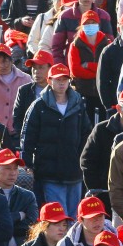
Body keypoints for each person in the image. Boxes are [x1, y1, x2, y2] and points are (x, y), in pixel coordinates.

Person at [20, 63, 91, 216]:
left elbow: (86, 134)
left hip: (74, 172)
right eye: (57, 79)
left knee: (73, 216)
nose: (61, 83)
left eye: (64, 79)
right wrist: (27, 163)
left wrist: (81, 159)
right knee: (58, 216)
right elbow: (28, 135)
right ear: (49, 80)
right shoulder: (38, 106)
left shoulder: (79, 104)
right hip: (49, 172)